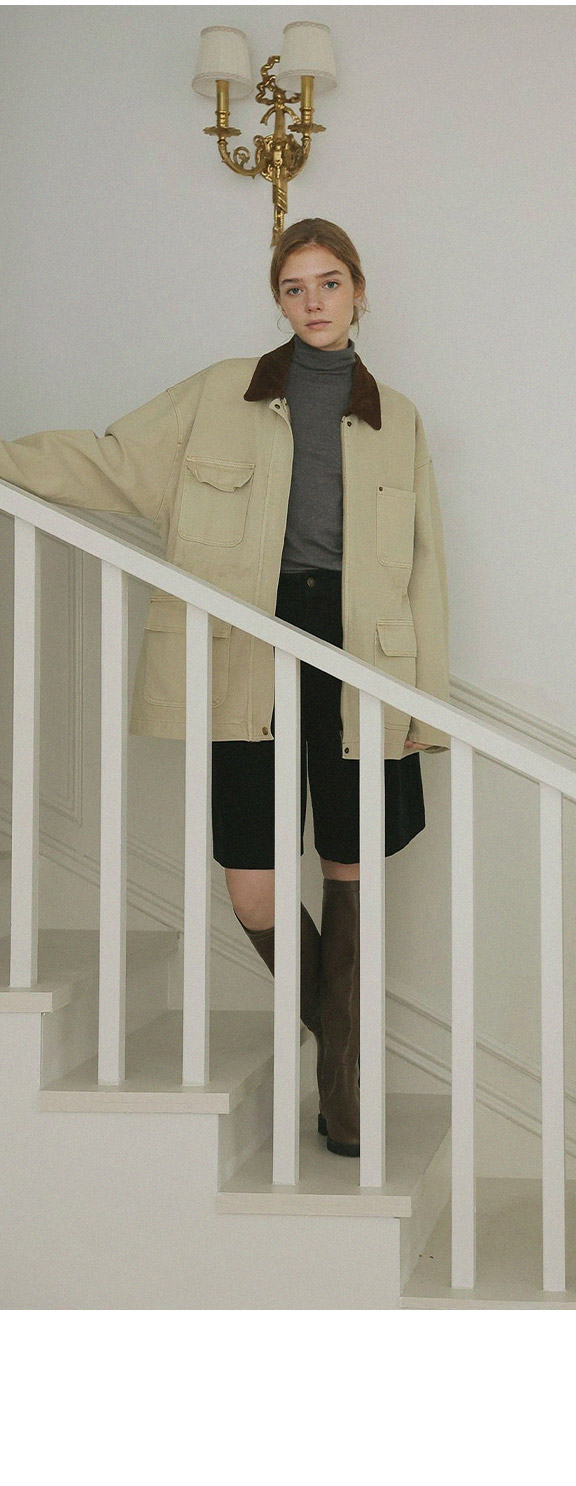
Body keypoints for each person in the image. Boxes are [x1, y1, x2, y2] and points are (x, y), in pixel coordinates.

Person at [0, 217, 451, 1158]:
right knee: (253, 889)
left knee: (348, 869)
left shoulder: (400, 418)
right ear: (277, 299)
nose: (314, 301)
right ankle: (347, 1054)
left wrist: (425, 709)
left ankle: (342, 1092)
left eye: (330, 282)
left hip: (363, 661)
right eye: (295, 287)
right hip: (250, 648)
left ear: (359, 290)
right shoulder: (222, 392)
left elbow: (424, 570)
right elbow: (112, 459)